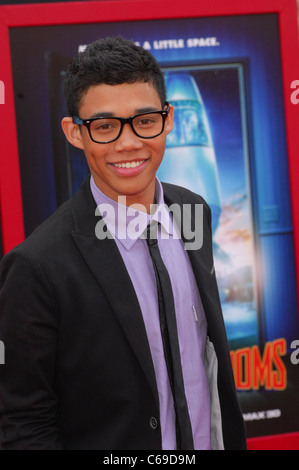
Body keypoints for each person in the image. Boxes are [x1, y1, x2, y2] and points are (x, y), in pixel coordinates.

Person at [0, 37, 246, 450]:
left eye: (145, 120)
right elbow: (23, 422)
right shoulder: (36, 267)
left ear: (167, 120)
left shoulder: (194, 211)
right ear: (75, 134)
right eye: (105, 126)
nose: (128, 143)